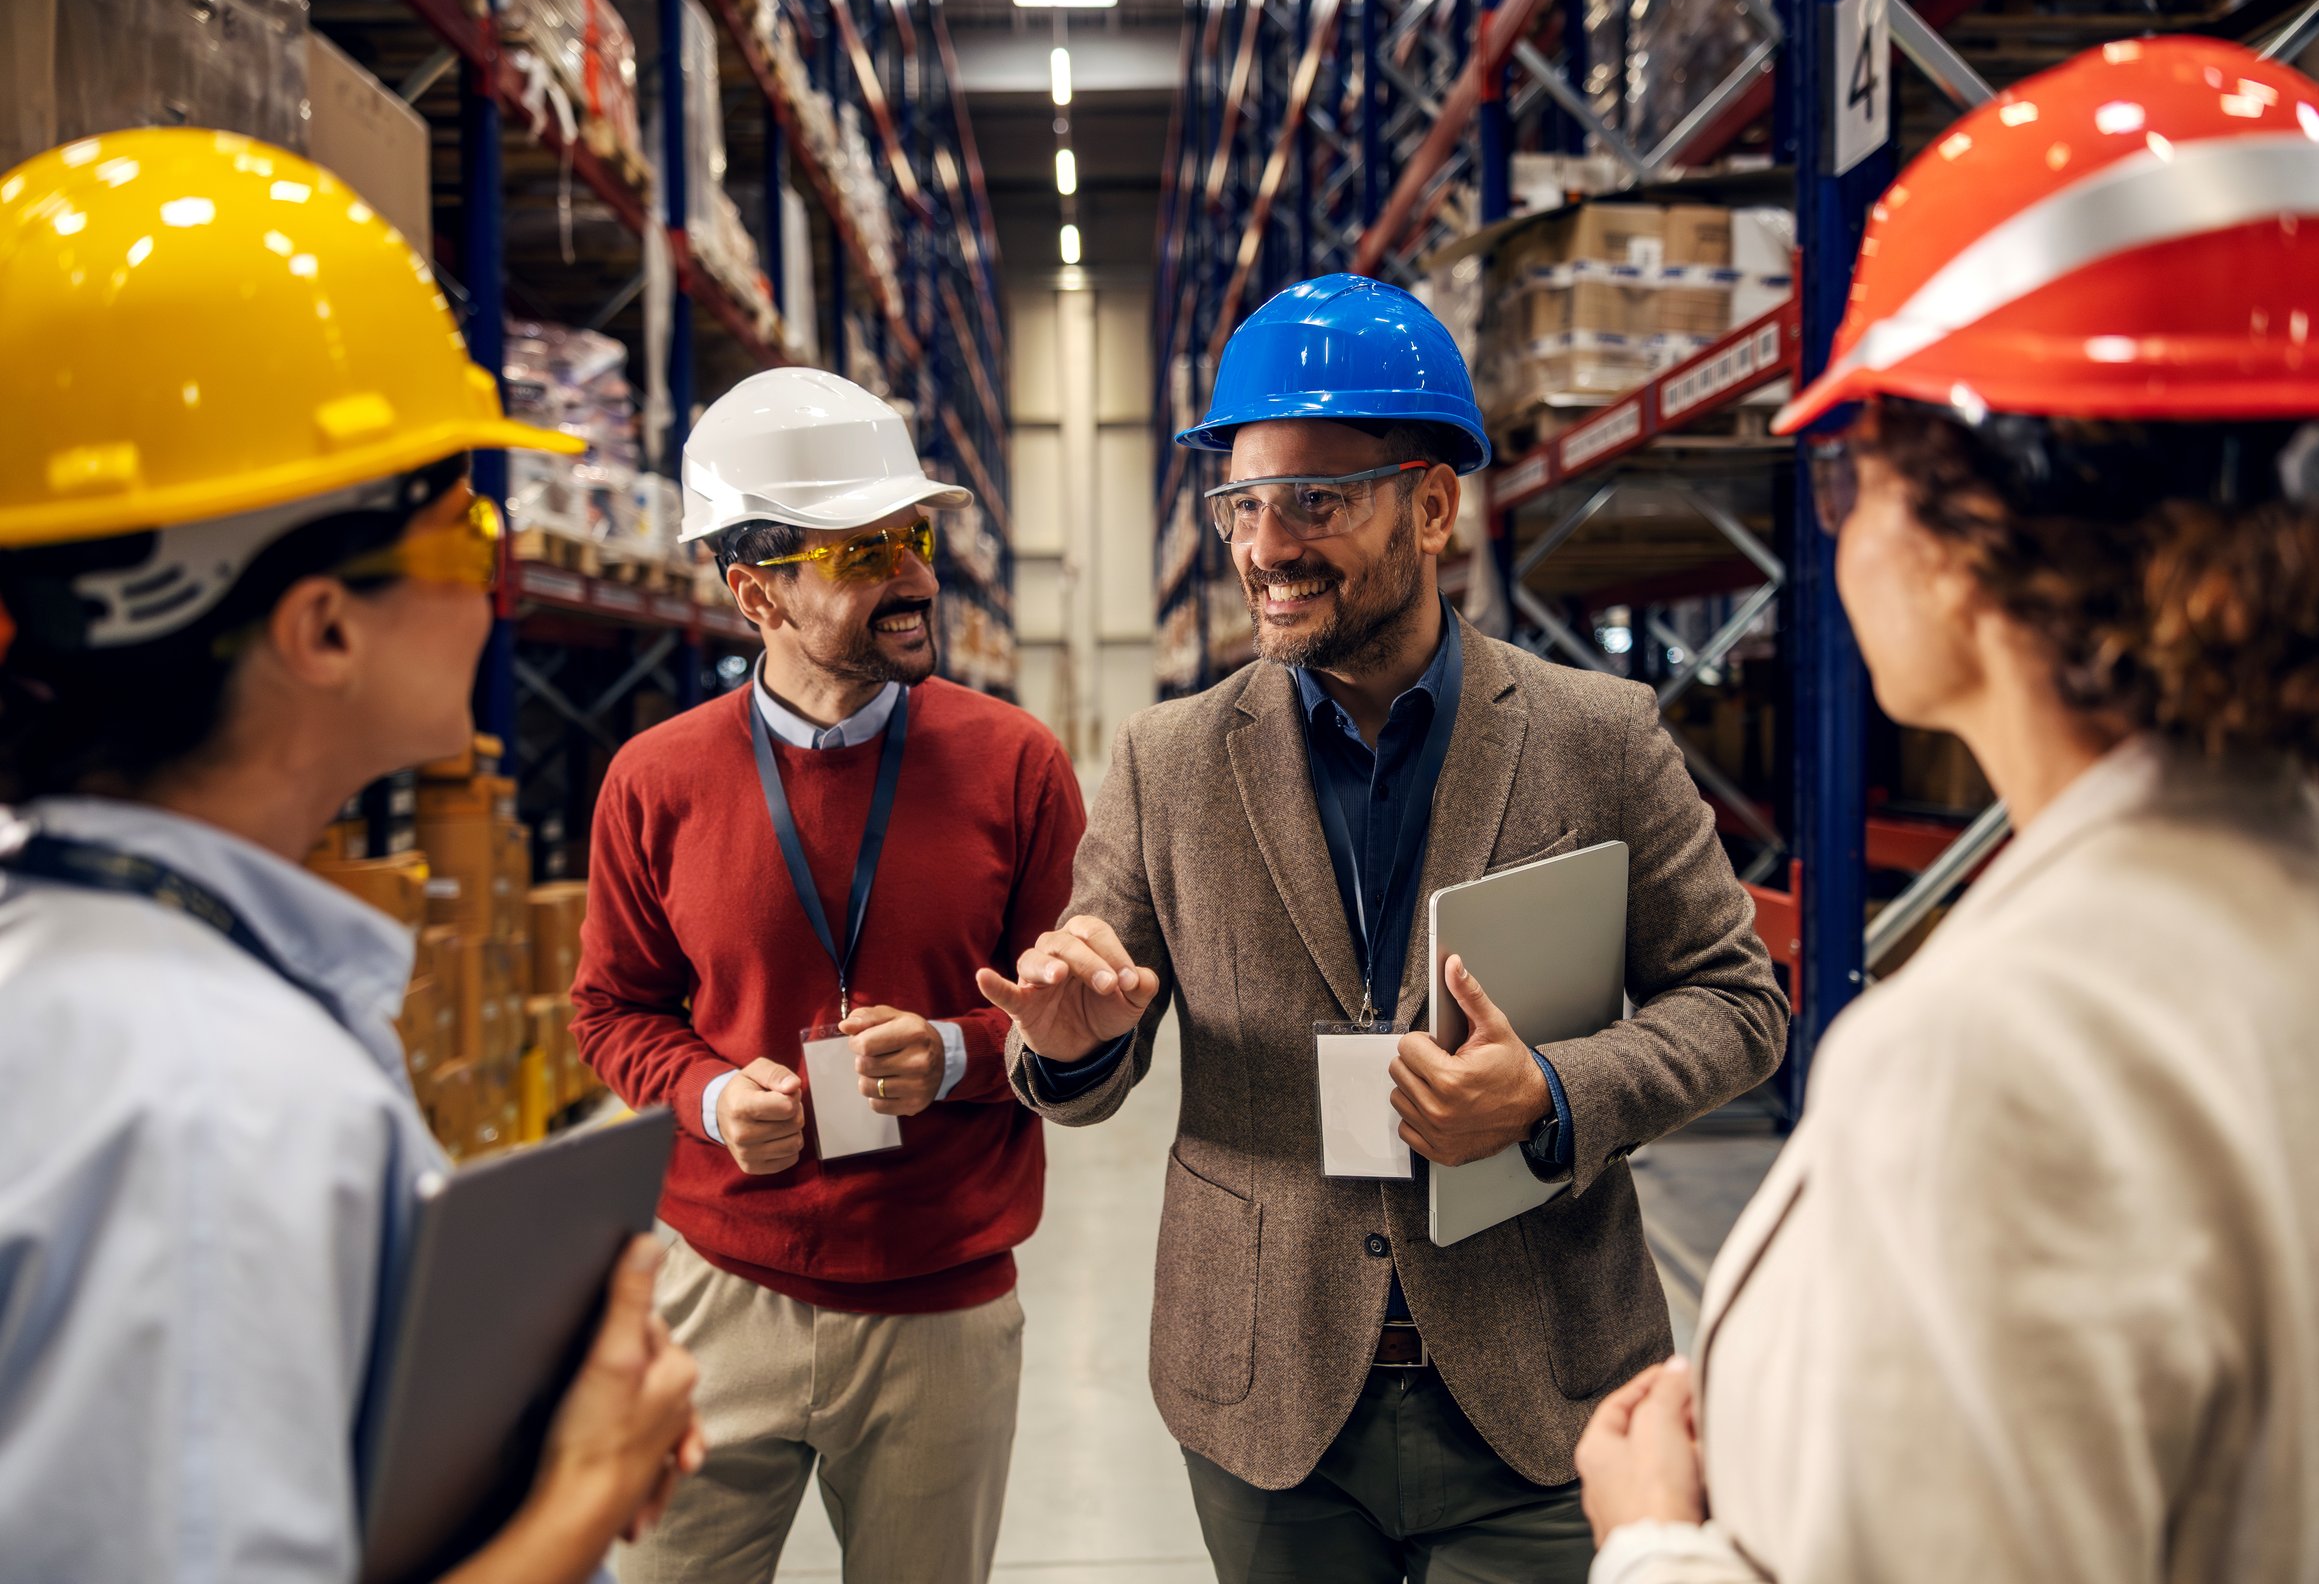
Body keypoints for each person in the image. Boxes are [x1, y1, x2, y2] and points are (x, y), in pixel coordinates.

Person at [1575, 38, 2319, 1584]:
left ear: (1969, 520)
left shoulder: (1991, 1064)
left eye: (1850, 470)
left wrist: (1654, 1542)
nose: (1840, 533)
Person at [975, 273, 1788, 1581]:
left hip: (1537, 1391)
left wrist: (1553, 1094)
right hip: (1269, 1392)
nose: (1264, 546)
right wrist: (1071, 1043)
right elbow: (1088, 1014)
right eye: (1242, 502)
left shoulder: (1598, 738)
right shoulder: (1170, 760)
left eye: (1316, 500)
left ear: (1430, 504)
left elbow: (1739, 1005)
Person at [0, 130, 701, 1581]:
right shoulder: (210, 1110)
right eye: (469, 532)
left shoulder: (68, 964)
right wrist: (584, 1490)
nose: (499, 586)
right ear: (321, 627)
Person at [578, 368, 1085, 1584]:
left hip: (943, 1307)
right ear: (756, 591)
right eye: (864, 552)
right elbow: (613, 1009)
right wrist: (707, 1097)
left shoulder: (1015, 765)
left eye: (914, 536)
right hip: (718, 1294)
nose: (915, 576)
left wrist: (957, 1053)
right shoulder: (654, 781)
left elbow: (1078, 1023)